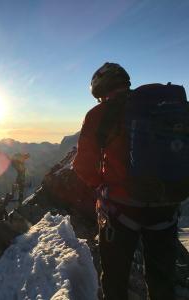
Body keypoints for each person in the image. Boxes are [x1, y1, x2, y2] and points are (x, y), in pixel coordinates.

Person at [73, 62, 181, 300]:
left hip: (121, 210)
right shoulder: (161, 107)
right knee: (162, 281)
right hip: (166, 206)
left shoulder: (99, 114)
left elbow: (82, 165)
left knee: (115, 280)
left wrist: (101, 185)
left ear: (101, 89)